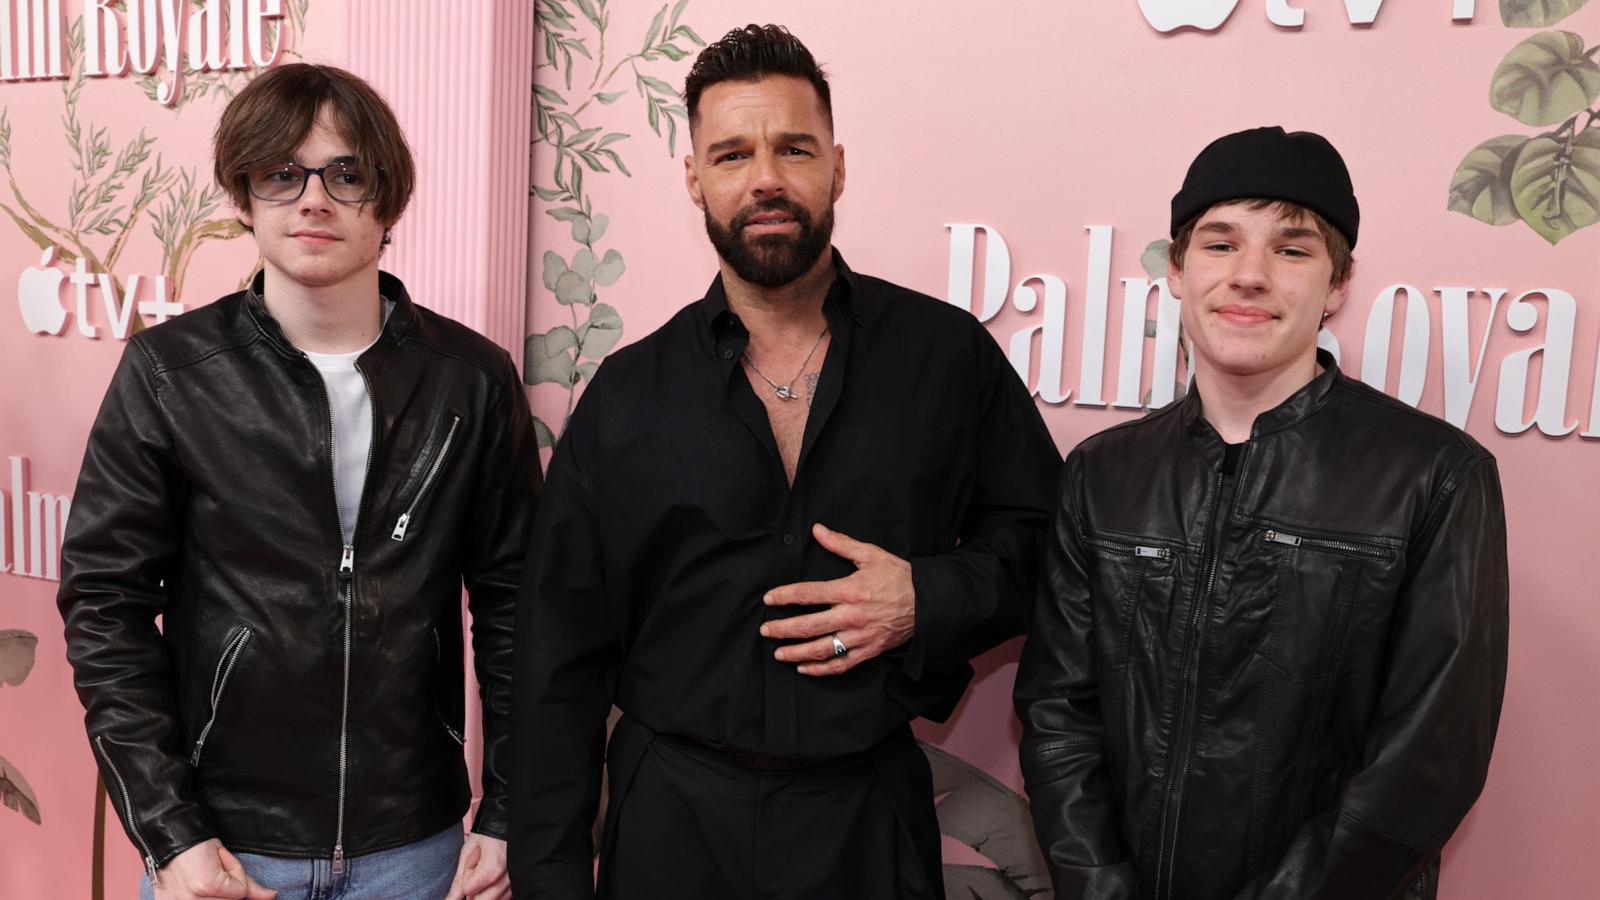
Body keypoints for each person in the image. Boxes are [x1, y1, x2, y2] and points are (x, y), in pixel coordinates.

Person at [508, 24, 1060, 900]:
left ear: (837, 167)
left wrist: (928, 596)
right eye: (732, 153)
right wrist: (549, 877)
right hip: (669, 824)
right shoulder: (623, 395)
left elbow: (1047, 546)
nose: (765, 176)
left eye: (792, 148)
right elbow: (556, 661)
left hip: (867, 818)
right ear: (696, 179)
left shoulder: (945, 358)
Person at [57, 63, 539, 900]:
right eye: (281, 173)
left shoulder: (470, 380)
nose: (313, 199)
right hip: (227, 849)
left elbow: (516, 607)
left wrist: (510, 810)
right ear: (243, 197)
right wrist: (172, 838)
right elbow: (106, 606)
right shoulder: (172, 374)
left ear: (386, 201)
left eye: (346, 173)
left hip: (415, 848)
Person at [1014, 126, 1509, 900]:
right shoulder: (1103, 474)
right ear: (1177, 271)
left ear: (1337, 285)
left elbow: (1428, 763)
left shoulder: (1436, 477)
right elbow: (1057, 714)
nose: (1249, 276)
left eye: (1291, 248)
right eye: (1220, 243)